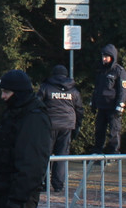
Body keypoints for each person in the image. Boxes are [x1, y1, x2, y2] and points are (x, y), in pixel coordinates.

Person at [0, 70, 52, 208]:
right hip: (4, 191)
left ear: (18, 93)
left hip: (19, 197)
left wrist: (18, 199)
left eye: (6, 92)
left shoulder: (34, 117)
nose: (3, 96)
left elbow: (32, 164)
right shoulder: (12, 112)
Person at [38, 64, 82, 192]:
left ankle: (43, 183)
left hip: (49, 125)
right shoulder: (73, 90)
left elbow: (37, 104)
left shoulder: (46, 87)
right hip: (67, 125)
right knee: (62, 155)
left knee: (45, 154)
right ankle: (58, 185)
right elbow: (79, 109)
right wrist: (77, 125)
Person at [91, 44, 126, 155]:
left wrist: (120, 106)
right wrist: (93, 103)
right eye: (103, 56)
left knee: (114, 131)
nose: (104, 59)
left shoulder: (119, 71)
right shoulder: (101, 71)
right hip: (102, 106)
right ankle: (97, 151)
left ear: (112, 57)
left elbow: (123, 91)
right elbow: (97, 88)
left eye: (106, 57)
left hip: (113, 107)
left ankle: (114, 152)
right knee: (99, 130)